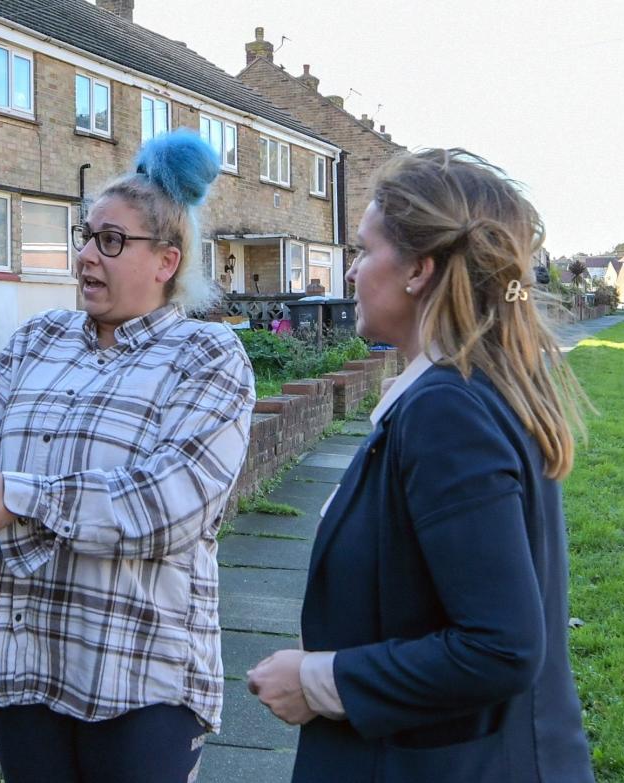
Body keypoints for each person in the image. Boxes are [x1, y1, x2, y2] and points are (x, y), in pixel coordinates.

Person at [246, 148, 594, 782]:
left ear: (418, 271)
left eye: (363, 251)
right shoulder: (468, 389)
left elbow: (501, 646)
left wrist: (318, 680)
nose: (350, 273)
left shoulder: (447, 411)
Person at [0, 130, 255, 783]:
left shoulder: (206, 357)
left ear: (166, 261)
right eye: (86, 235)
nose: (86, 254)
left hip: (142, 677)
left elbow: (165, 507)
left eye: (111, 241)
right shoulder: (36, 340)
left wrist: (16, 500)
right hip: (27, 664)